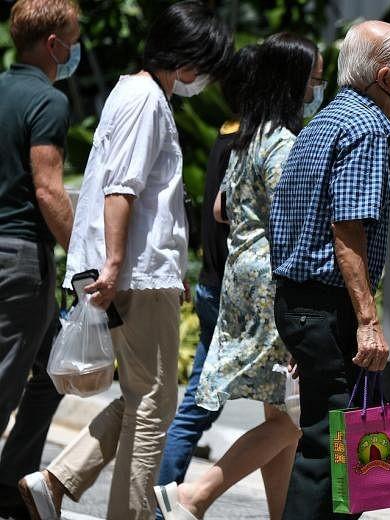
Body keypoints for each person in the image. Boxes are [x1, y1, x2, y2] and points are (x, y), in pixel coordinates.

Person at [18, 2, 233, 519]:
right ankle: (115, 510)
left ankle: (57, 481)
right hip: (133, 273)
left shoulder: (133, 93)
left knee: (145, 396)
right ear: (185, 58)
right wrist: (115, 264)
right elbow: (122, 190)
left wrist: (162, 267)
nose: (202, 77)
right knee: (154, 403)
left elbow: (139, 197)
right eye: (202, 63)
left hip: (138, 270)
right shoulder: (145, 100)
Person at [154, 33, 324, 520]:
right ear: (293, 82)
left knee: (281, 412)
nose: (317, 89)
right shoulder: (286, 145)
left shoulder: (250, 135)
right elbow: (291, 225)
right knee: (294, 419)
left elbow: (221, 209)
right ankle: (193, 495)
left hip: (239, 277)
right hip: (274, 283)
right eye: (314, 80)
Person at [270, 20, 390, 519]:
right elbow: (347, 230)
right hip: (327, 308)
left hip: (300, 300)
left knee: (334, 447)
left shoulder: (321, 124)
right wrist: (367, 321)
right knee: (336, 454)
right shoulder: (368, 128)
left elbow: (287, 221)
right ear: (387, 77)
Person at [154, 45, 252, 511]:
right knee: (202, 403)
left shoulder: (227, 130)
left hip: (213, 283)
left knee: (204, 400)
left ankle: (164, 497)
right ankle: (166, 498)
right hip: (231, 289)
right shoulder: (253, 139)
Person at [0, 0, 78, 516]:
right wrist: (85, 258)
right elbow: (49, 190)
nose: (75, 49)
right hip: (20, 258)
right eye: (72, 39)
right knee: (8, 380)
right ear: (53, 44)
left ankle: (11, 482)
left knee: (53, 365)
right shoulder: (47, 101)